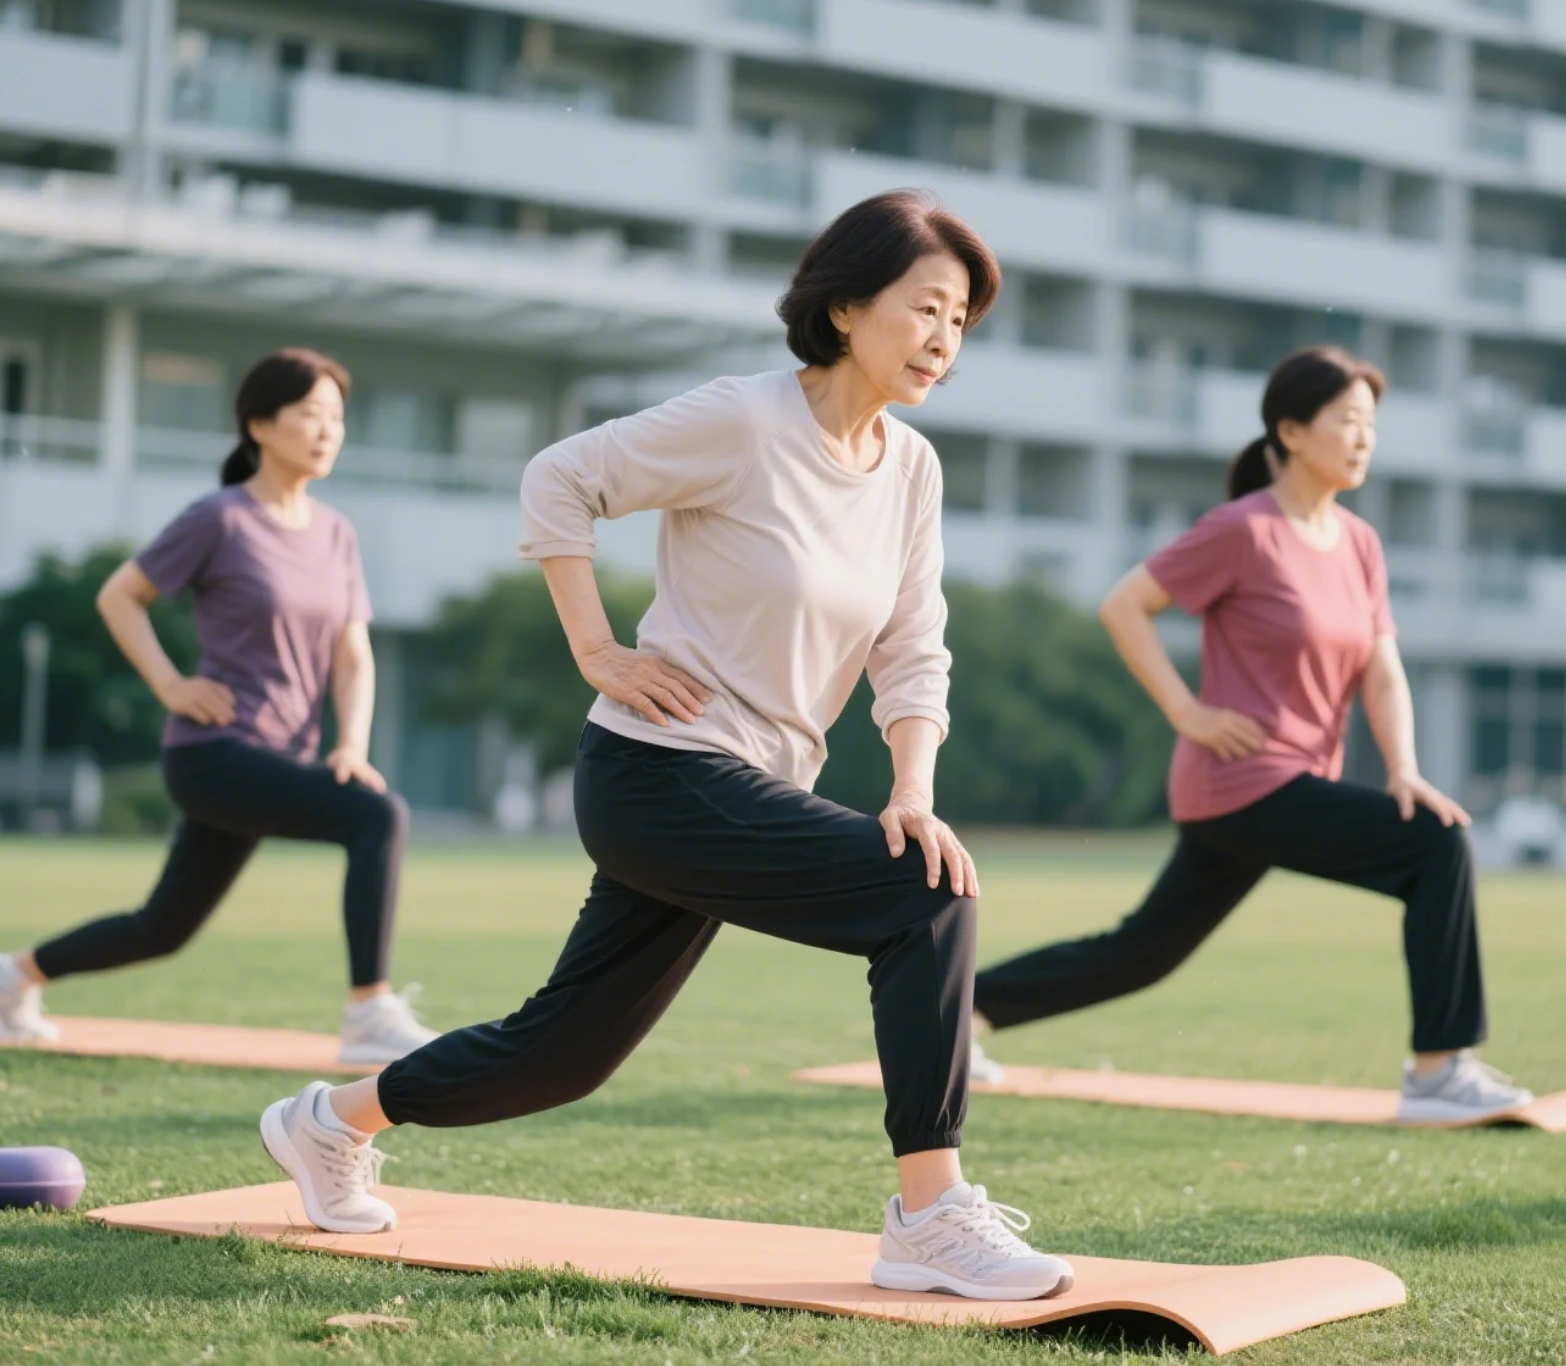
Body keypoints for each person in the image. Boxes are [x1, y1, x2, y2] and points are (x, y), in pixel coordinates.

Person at [256, 191, 1074, 1302]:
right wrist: (596, 649)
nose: (945, 338)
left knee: (566, 1053)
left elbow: (913, 644)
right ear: (843, 308)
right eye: (925, 307)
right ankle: (929, 1215)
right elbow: (560, 476)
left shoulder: (912, 469)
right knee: (926, 897)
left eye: (962, 320)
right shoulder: (744, 421)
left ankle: (325, 1122)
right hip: (658, 772)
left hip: (747, 786)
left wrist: (913, 785)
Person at [969, 346, 1534, 1124]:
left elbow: (1383, 669)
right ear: (1293, 431)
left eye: (1372, 424)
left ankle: (960, 1015)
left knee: (1144, 951)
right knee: (1434, 846)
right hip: (1242, 779)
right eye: (1348, 422)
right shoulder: (1243, 530)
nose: (1365, 438)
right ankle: (1438, 1071)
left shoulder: (1360, 544)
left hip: (1284, 785)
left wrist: (1403, 767)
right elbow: (1125, 604)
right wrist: (1187, 712)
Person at [0, 349, 437, 1066]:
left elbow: (353, 655)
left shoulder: (336, 533)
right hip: (214, 754)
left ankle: (13, 977)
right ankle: (368, 1011)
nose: (327, 431)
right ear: (260, 424)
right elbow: (121, 595)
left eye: (337, 417)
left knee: (163, 927)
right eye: (309, 415)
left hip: (280, 758)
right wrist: (171, 686)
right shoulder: (220, 519)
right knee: (377, 816)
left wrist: (351, 744)